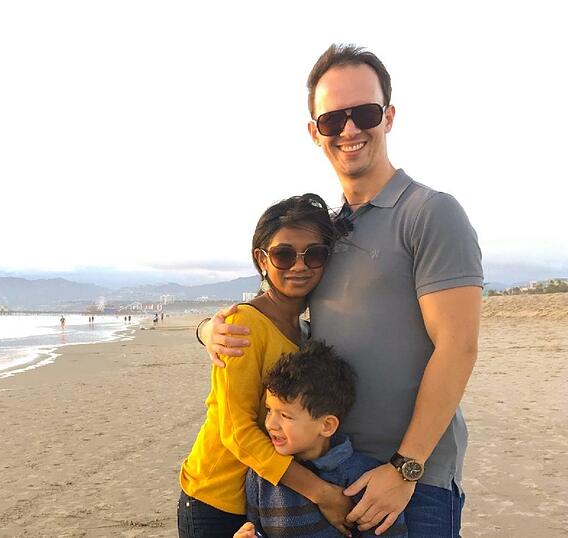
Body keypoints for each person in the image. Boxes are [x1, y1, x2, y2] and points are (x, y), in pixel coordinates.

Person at [199, 43, 482, 536]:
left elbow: (458, 346)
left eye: (364, 113)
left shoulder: (430, 213)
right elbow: (289, 313)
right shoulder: (327, 236)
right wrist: (208, 330)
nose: (350, 130)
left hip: (412, 484)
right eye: (332, 120)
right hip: (334, 469)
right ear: (315, 132)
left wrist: (405, 469)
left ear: (388, 116)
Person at [178, 194, 352, 538]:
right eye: (283, 254)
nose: (299, 266)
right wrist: (320, 491)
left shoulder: (306, 333)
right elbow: (236, 432)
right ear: (262, 259)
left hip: (265, 501)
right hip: (216, 497)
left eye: (313, 254)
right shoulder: (243, 326)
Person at [234, 341, 407, 538]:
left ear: (326, 426)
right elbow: (256, 528)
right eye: (269, 410)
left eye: (285, 415)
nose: (270, 423)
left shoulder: (362, 477)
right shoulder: (261, 475)